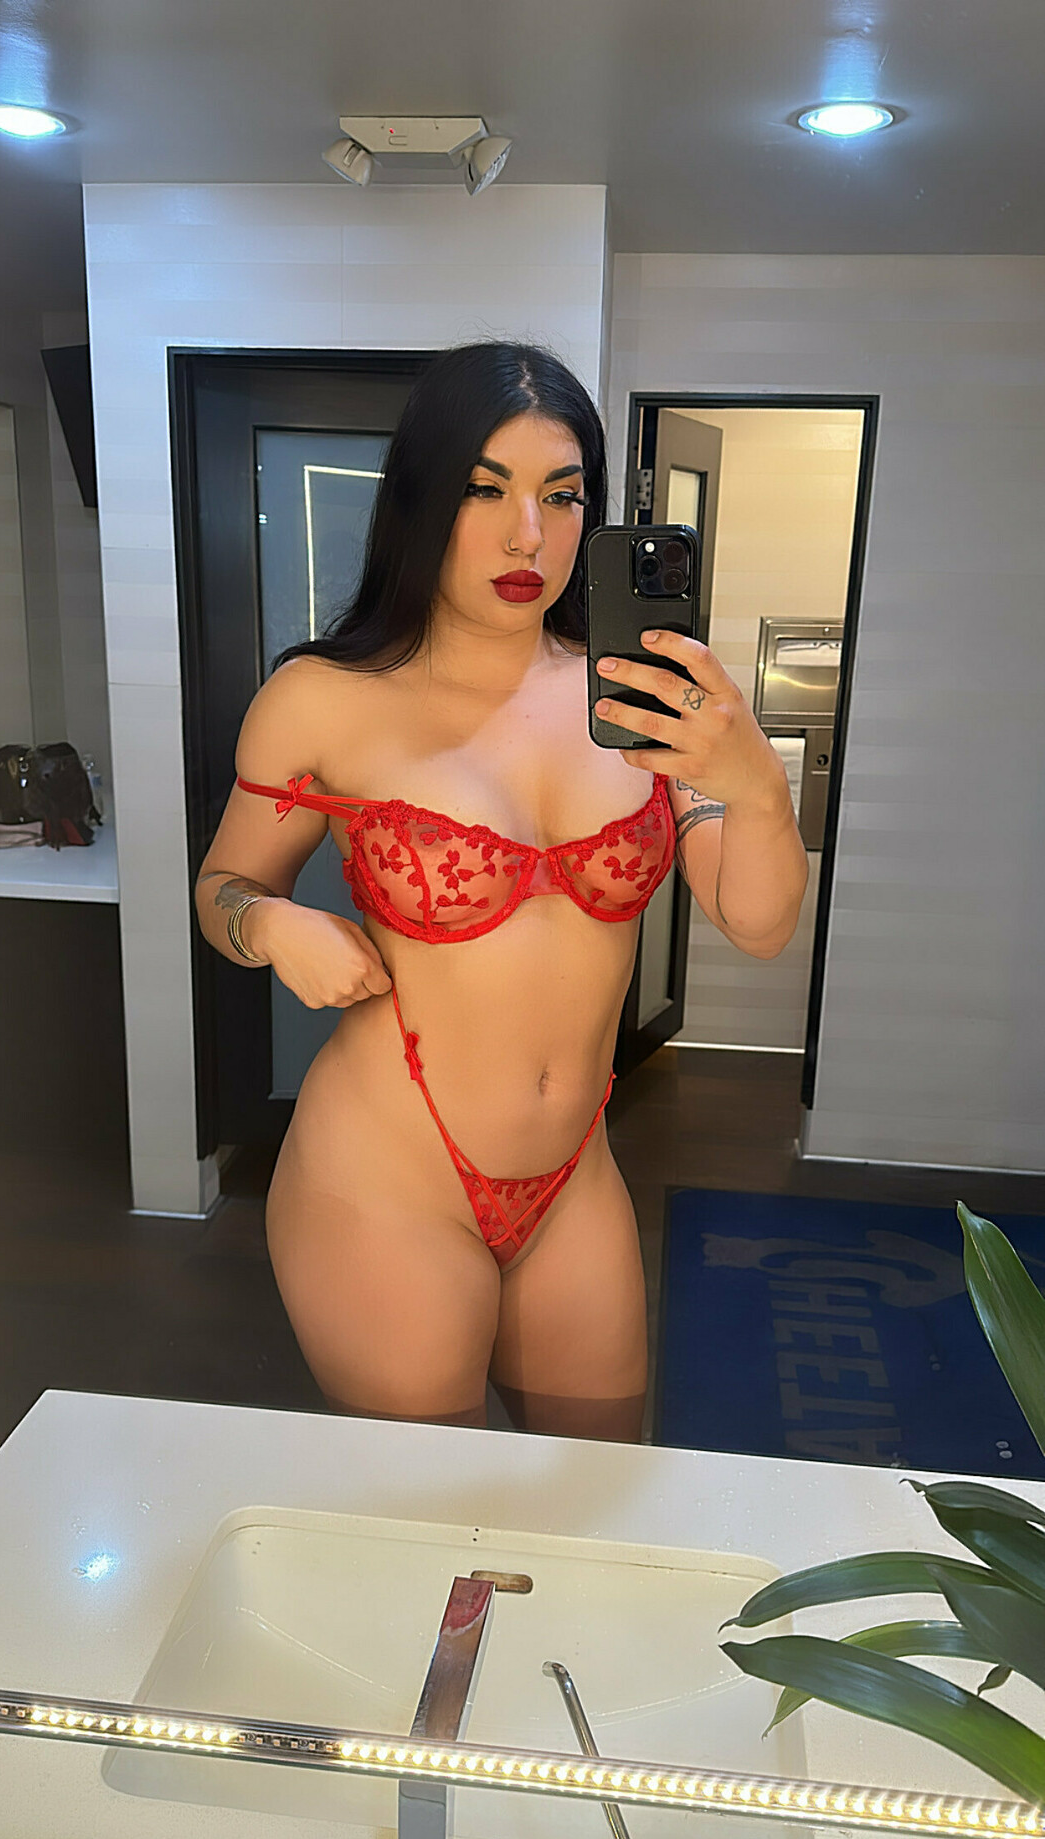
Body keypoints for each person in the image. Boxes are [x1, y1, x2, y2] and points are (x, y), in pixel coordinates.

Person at [194, 340, 808, 1442]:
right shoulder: (323, 698)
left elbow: (759, 924)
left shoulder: (641, 698)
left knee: (594, 1494)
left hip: (573, 1176)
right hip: (384, 1178)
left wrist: (755, 784)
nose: (529, 535)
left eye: (561, 496)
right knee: (437, 1513)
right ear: (420, 498)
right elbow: (223, 888)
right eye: (486, 489)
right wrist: (271, 922)